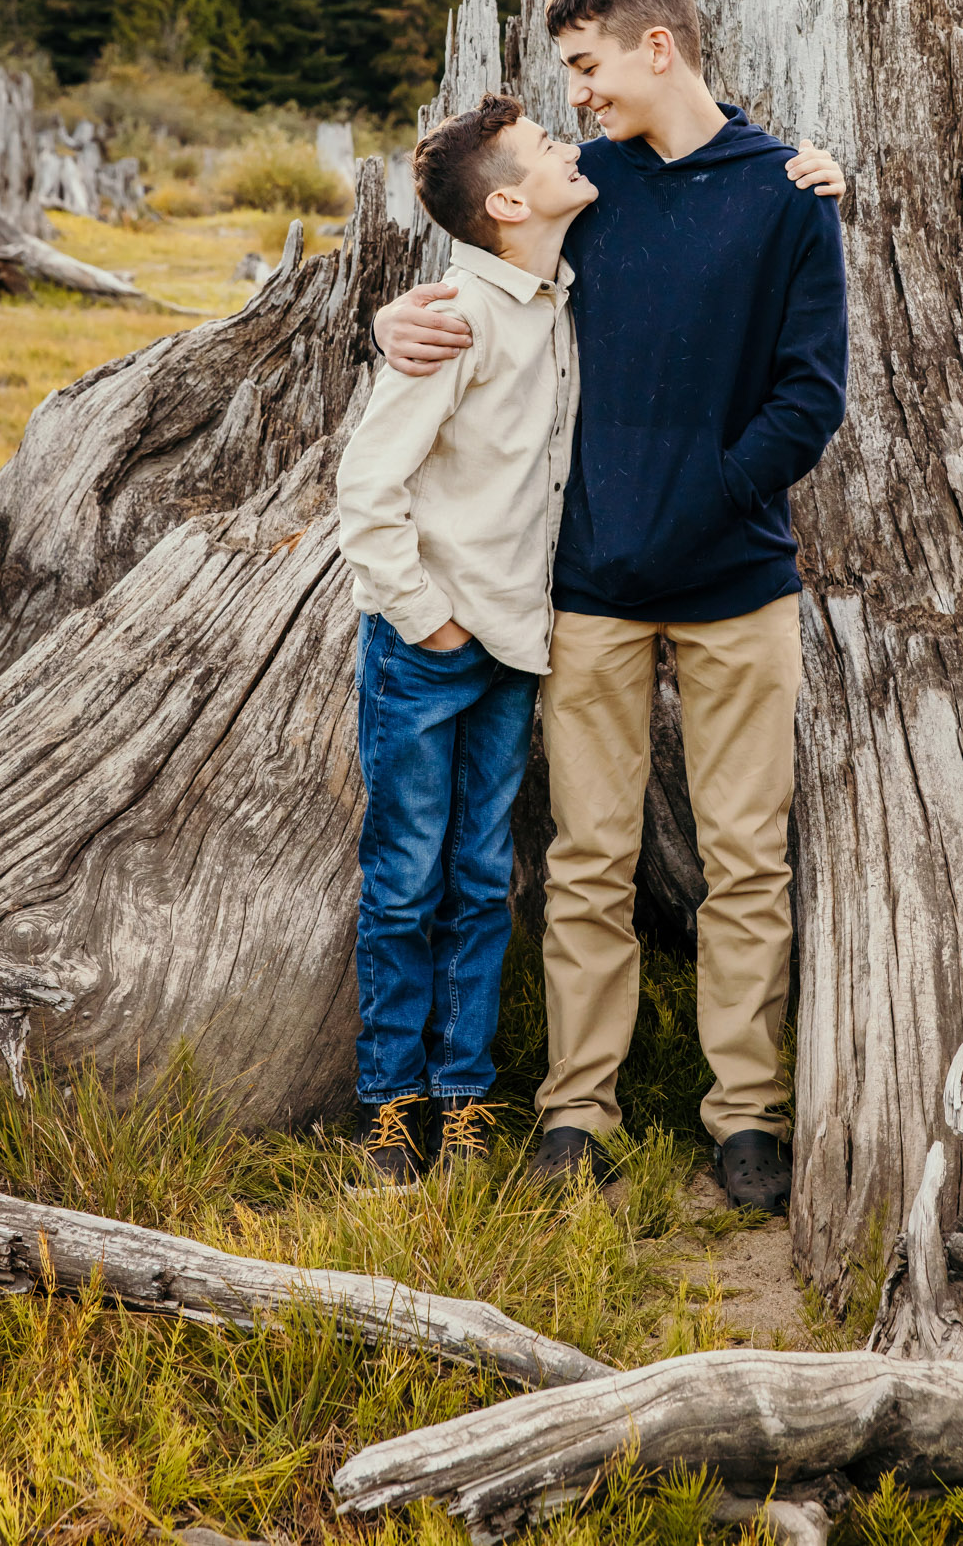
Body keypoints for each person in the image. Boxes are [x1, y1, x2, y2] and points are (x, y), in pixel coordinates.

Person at [373, 0, 847, 1215]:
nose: (575, 97)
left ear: (656, 46)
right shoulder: (590, 193)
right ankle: (574, 1109)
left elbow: (811, 397)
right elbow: (487, 262)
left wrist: (706, 496)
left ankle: (744, 1114)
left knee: (747, 862)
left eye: (585, 66)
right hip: (585, 585)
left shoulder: (789, 194)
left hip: (741, 581)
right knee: (588, 861)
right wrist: (392, 321)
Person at [336, 95, 596, 1184]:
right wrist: (425, 617)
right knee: (404, 876)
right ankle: (388, 1102)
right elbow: (366, 482)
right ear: (503, 200)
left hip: (513, 647)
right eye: (546, 146)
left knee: (484, 878)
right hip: (429, 649)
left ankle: (464, 1094)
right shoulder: (457, 312)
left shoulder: (559, 291)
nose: (569, 147)